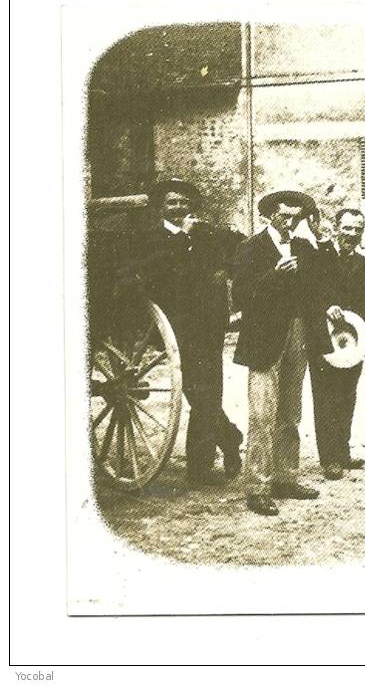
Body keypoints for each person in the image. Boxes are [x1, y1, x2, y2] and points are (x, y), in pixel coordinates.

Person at [140, 179, 245, 485]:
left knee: (207, 391)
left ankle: (199, 470)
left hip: (207, 325)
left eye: (183, 202)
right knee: (195, 392)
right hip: (173, 326)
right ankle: (229, 437)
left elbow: (239, 248)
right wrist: (181, 238)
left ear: (191, 206)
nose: (178, 207)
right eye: (172, 202)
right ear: (162, 207)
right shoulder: (151, 238)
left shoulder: (207, 233)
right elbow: (149, 270)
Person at [231, 190, 328, 516]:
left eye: (295, 218)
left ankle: (286, 476)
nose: (290, 223)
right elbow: (241, 296)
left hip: (298, 331)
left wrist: (319, 238)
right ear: (270, 215)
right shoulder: (250, 248)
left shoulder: (303, 247)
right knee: (262, 413)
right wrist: (274, 275)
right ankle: (258, 487)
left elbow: (321, 285)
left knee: (290, 410)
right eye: (284, 217)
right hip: (262, 336)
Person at [306, 206, 365, 480]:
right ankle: (329, 459)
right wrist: (326, 306)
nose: (352, 234)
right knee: (325, 398)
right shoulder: (319, 257)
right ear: (336, 228)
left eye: (357, 230)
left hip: (354, 341)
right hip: (324, 339)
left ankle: (342, 451)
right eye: (347, 228)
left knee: (347, 396)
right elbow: (308, 292)